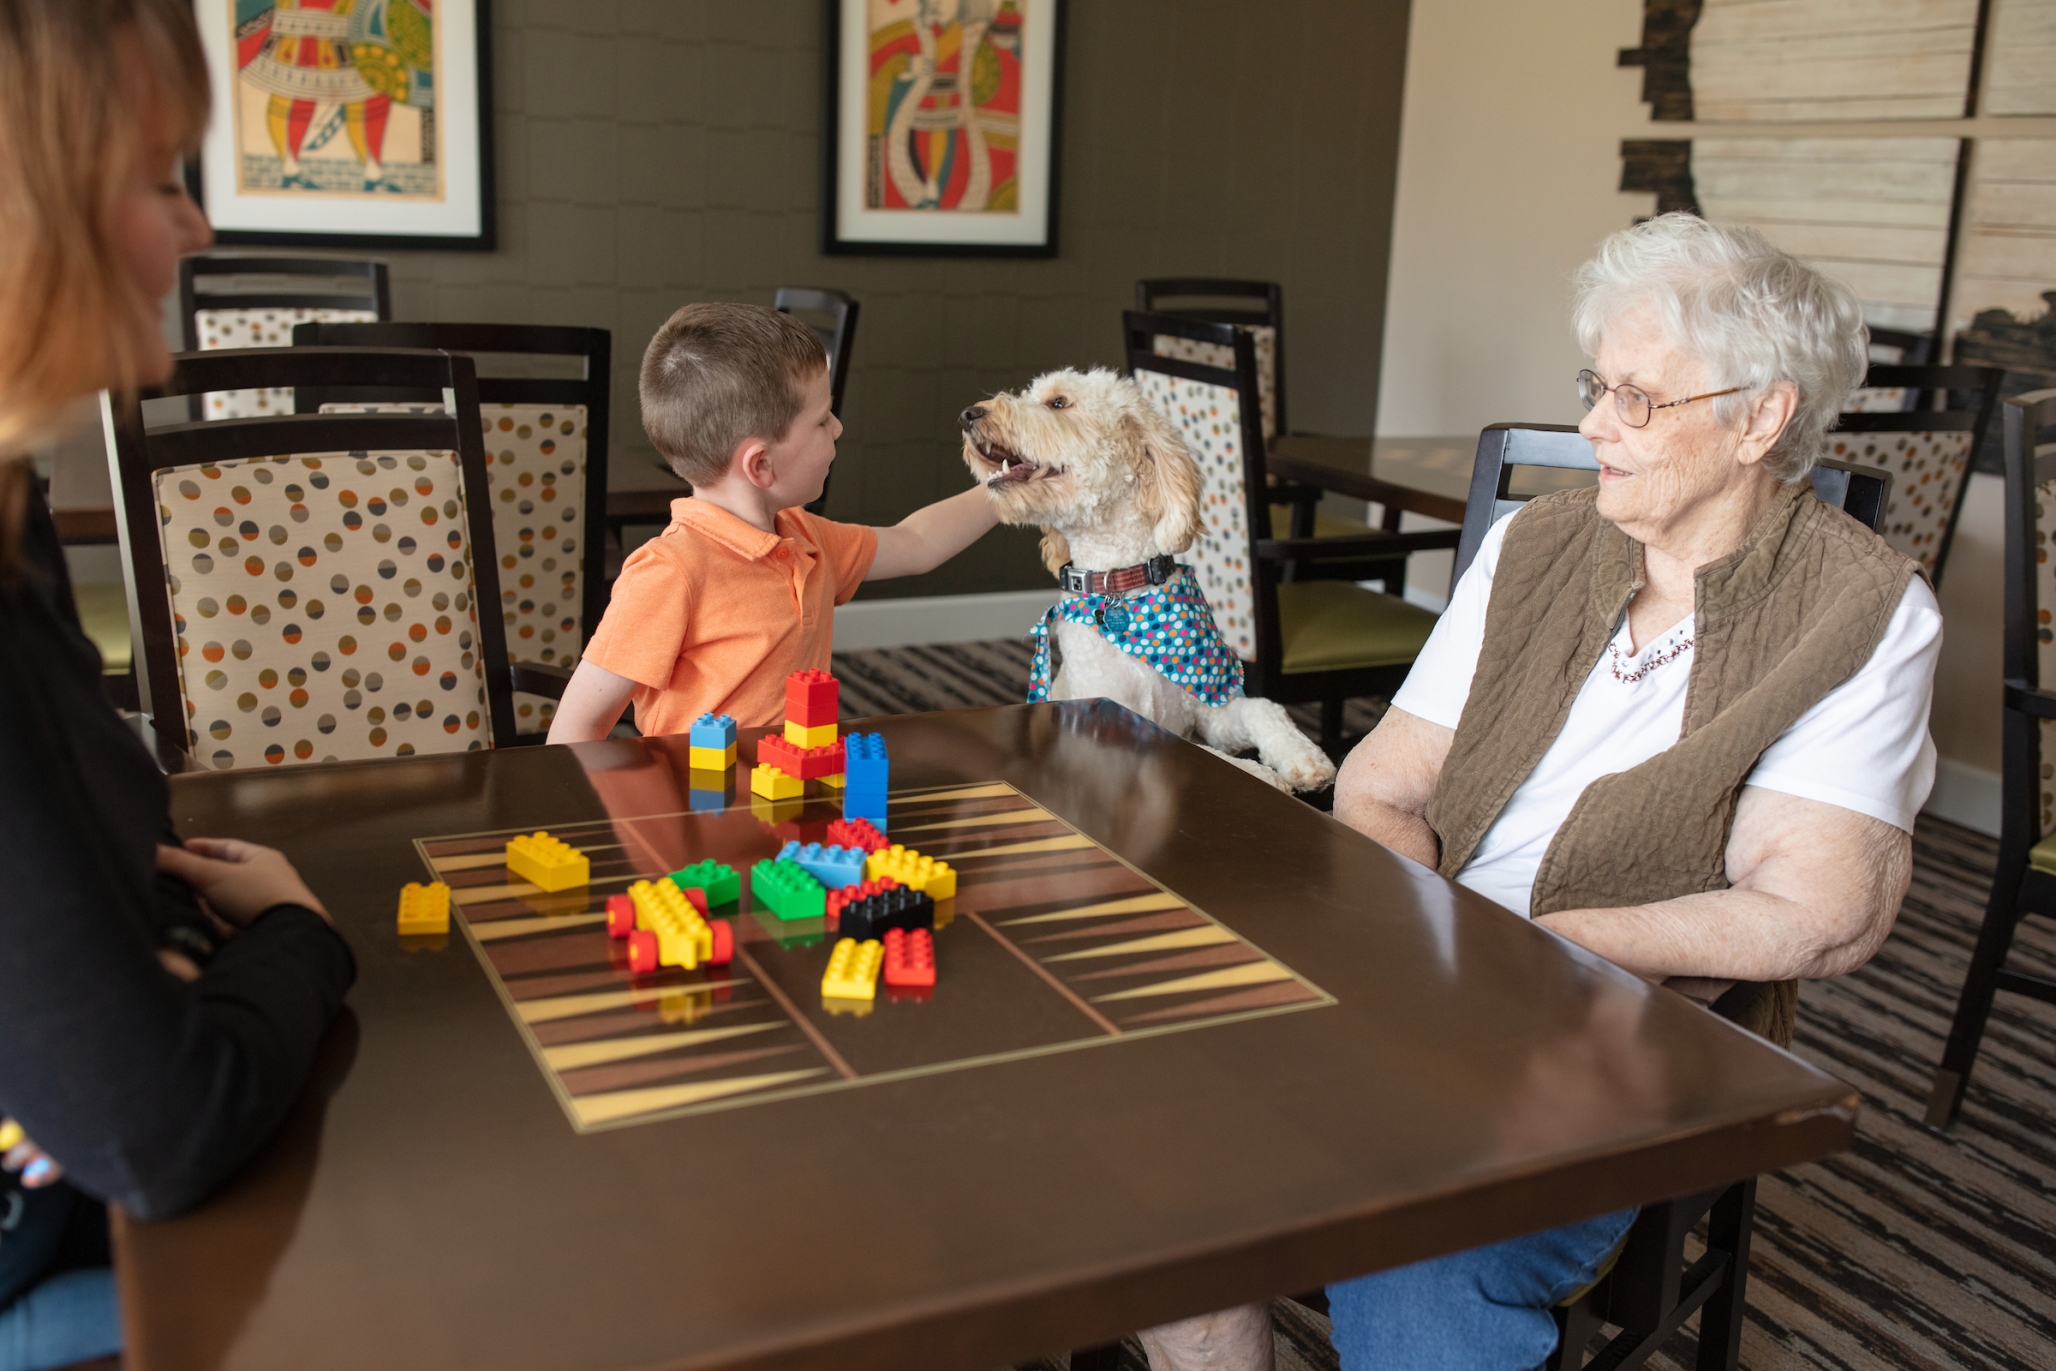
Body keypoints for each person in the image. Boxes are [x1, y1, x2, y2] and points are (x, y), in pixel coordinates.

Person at [1142, 214, 1942, 1370]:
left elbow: (1819, 912)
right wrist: (1417, 949)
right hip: (1411, 970)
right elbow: (1380, 784)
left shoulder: (1857, 613)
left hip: (1606, 1039)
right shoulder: (1538, 543)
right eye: (1592, 386)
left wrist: (1544, 952)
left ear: (1759, 418)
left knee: (1420, 1253)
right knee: (1150, 1153)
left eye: (1636, 398)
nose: (1591, 427)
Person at [0, 3, 357, 1367]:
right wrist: (300, 937)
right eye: (162, 179)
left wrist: (144, 965)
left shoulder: (13, 506)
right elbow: (160, 1118)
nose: (198, 228)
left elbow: (97, 844)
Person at [547, 302, 999, 742]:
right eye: (822, 420)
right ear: (760, 464)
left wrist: (1009, 488)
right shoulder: (669, 573)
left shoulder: (806, 538)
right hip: (701, 809)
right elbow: (578, 726)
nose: (838, 427)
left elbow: (916, 543)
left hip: (797, 795)